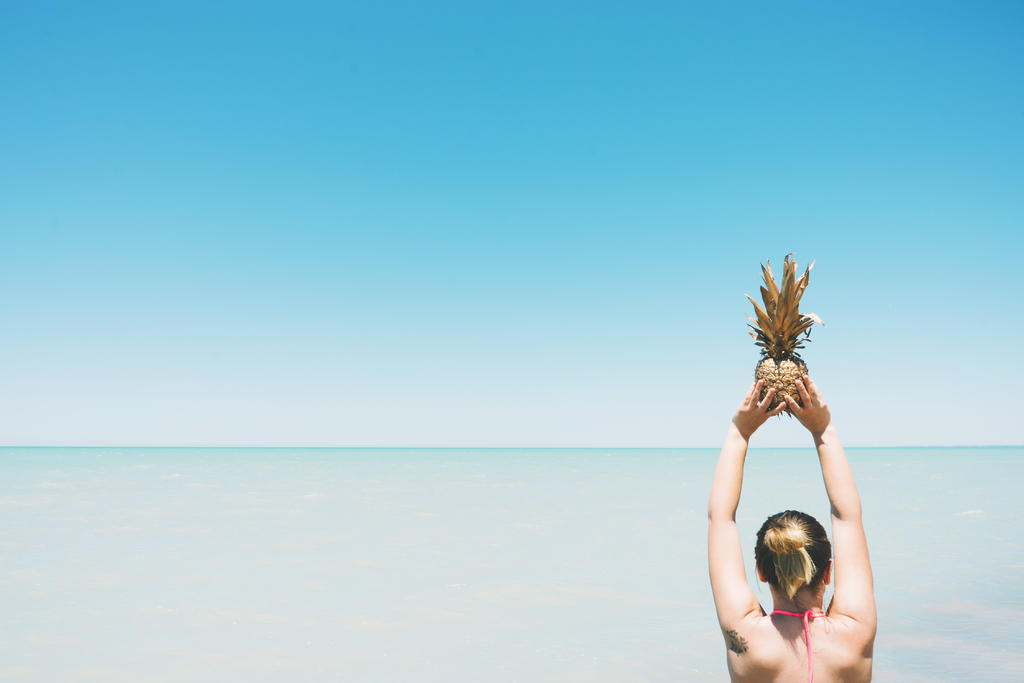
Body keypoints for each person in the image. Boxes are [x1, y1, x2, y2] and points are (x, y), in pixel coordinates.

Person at [707, 376, 876, 682]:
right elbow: (848, 517)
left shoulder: (747, 638)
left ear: (761, 571)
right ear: (827, 572)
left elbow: (721, 518)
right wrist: (823, 430)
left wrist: (739, 433)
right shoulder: (855, 631)